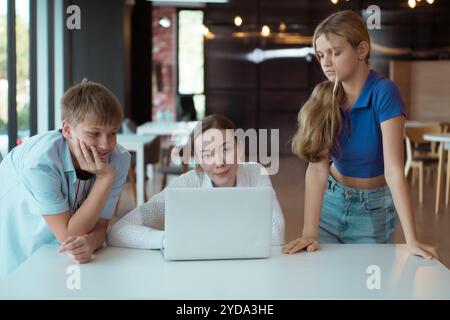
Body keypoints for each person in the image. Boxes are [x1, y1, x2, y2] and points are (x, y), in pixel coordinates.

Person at [283, 10, 438, 260]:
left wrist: (412, 240)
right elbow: (317, 169)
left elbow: (394, 170)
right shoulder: (323, 95)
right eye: (321, 55)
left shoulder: (384, 92)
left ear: (362, 50)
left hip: (372, 209)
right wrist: (309, 232)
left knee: (368, 285)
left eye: (335, 52)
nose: (325, 62)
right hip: (331, 202)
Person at [0, 80, 130, 279]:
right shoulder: (41, 162)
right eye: (94, 133)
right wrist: (104, 179)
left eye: (112, 133)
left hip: (60, 246)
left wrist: (91, 242)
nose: (106, 144)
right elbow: (68, 235)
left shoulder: (119, 159)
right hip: (20, 232)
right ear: (67, 130)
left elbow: (101, 227)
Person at [107, 114, 285, 249]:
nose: (219, 162)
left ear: (239, 147)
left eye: (226, 149)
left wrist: (202, 239)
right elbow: (118, 232)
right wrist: (168, 240)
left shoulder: (255, 173)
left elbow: (276, 233)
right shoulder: (187, 185)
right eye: (207, 154)